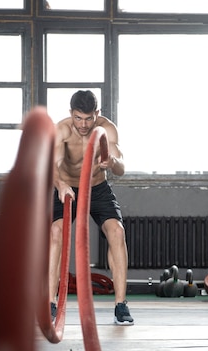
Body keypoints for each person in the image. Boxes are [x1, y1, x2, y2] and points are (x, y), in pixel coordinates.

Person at [48, 90, 134, 325]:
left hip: (97, 188)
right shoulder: (62, 129)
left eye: (88, 118)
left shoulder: (107, 128)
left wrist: (112, 162)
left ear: (97, 114)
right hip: (68, 189)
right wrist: (61, 184)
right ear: (71, 114)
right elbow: (52, 164)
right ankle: (50, 303)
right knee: (56, 232)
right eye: (78, 118)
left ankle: (121, 305)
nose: (83, 124)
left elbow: (121, 168)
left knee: (117, 232)